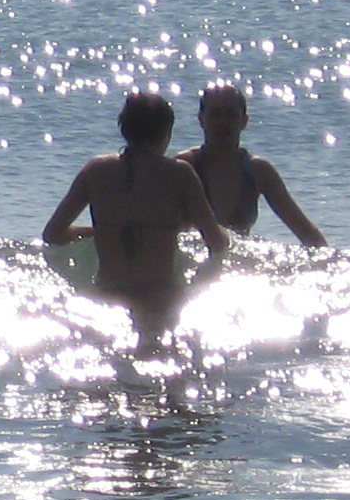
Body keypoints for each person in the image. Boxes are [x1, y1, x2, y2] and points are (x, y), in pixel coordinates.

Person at [43, 91, 232, 355]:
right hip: (160, 300)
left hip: (107, 298)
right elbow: (216, 243)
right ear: (166, 132)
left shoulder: (96, 170)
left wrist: (100, 232)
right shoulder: (179, 174)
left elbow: (53, 234)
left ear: (125, 129)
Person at [178, 83, 326, 246]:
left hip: (236, 259)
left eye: (231, 115)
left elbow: (304, 230)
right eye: (215, 114)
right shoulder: (184, 166)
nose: (222, 122)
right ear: (201, 119)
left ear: (244, 121)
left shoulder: (258, 170)